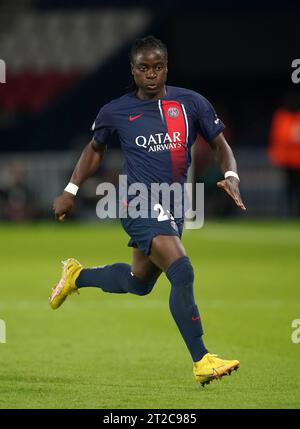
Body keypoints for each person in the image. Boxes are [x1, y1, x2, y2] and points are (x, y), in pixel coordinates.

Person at [50, 35, 246, 387]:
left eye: (157, 67)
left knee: (138, 283)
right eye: (144, 68)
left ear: (166, 67)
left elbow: (220, 144)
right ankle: (202, 360)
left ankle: (77, 276)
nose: (151, 74)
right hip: (137, 200)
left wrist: (231, 175)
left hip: (173, 205)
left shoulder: (192, 103)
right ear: (133, 70)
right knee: (182, 270)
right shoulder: (115, 111)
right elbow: (94, 150)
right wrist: (70, 189)